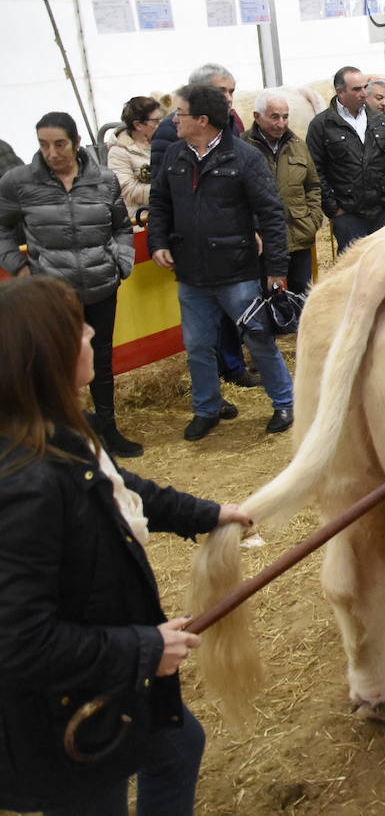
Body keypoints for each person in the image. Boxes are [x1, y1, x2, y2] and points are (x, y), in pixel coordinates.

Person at [0, 275, 254, 816]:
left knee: (179, 747)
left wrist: (207, 514)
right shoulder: (28, 483)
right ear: (48, 354)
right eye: (77, 329)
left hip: (113, 677)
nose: (91, 334)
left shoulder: (61, 432)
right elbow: (21, 641)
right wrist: (143, 649)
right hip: (70, 711)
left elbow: (117, 487)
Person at [148, 83, 294, 440]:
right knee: (198, 345)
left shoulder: (244, 158)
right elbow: (160, 203)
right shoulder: (175, 156)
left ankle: (285, 402)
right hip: (191, 274)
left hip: (238, 273)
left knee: (258, 338)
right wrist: (158, 242)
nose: (174, 120)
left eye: (179, 113)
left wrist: (276, 270)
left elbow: (272, 214)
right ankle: (207, 408)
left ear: (202, 119)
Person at [0, 111, 141, 458]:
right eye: (43, 145)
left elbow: (121, 226)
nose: (51, 153)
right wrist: (19, 268)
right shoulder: (19, 182)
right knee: (53, 363)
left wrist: (122, 262)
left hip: (101, 285)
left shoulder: (104, 179)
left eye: (59, 144)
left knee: (101, 360)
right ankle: (67, 435)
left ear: (77, 143)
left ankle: (108, 430)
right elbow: (1, 228)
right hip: (51, 296)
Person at [306, 65, 385, 254]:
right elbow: (315, 170)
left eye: (365, 87)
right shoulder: (321, 125)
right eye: (356, 89)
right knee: (353, 272)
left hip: (382, 210)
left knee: (384, 267)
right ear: (340, 92)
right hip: (348, 214)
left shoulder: (379, 120)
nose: (363, 93)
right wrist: (334, 208)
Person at [242, 90, 323, 297]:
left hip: (299, 234)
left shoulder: (298, 146)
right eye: (274, 116)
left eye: (285, 116)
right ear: (257, 117)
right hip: (262, 239)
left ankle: (299, 330)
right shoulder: (242, 148)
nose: (281, 123)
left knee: (301, 296)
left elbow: (312, 185)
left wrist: (313, 220)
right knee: (265, 297)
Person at [108, 96, 162, 223]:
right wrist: (167, 192)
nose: (160, 124)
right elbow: (127, 189)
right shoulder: (119, 151)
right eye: (156, 121)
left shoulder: (164, 142)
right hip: (141, 221)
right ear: (138, 125)